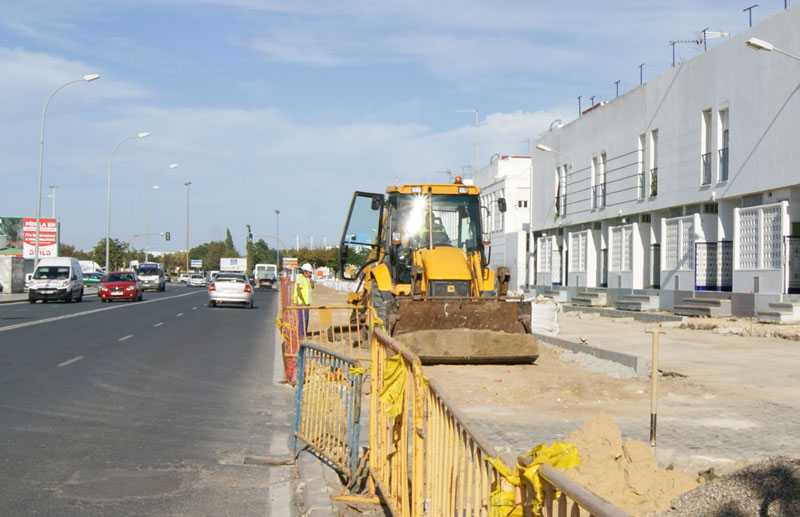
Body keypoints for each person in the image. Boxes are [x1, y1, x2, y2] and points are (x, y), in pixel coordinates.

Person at [293, 263, 315, 338]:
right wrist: (303, 302)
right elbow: (298, 291)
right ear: (305, 272)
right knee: (303, 319)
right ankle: (301, 334)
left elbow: (312, 286)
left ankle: (303, 334)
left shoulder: (307, 279)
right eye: (309, 272)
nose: (310, 274)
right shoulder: (300, 279)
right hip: (302, 303)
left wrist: (311, 279)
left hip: (307, 303)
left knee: (306, 319)